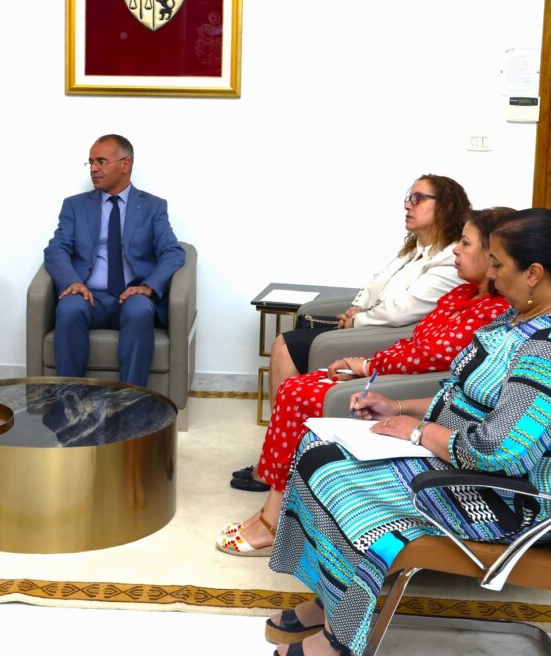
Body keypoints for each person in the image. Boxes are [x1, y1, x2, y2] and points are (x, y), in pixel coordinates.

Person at [264, 208, 551, 656]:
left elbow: (502, 453)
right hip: (463, 462)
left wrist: (417, 432)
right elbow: (463, 395)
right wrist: (398, 407)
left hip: (507, 498)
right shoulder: (520, 318)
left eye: (498, 263)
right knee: (317, 445)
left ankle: (339, 636)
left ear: (534, 273)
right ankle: (332, 598)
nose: (490, 273)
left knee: (338, 477)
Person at [217, 208, 515, 556]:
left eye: (465, 244)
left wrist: (368, 364)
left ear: (493, 254)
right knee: (294, 388)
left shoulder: (493, 311)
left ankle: (274, 521)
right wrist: (364, 356)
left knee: (299, 393)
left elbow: (432, 355)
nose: (456, 250)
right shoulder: (460, 294)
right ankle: (276, 510)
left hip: (413, 382)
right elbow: (414, 339)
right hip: (399, 372)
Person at [233, 175, 470, 492]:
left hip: (383, 335)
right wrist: (356, 309)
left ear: (446, 207)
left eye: (418, 198)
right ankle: (276, 455)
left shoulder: (448, 259)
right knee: (283, 343)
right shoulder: (414, 249)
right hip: (368, 325)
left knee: (288, 347)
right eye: (408, 197)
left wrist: (357, 320)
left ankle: (277, 463)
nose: (407, 205)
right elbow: (373, 286)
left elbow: (401, 311)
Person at [43, 134, 185, 388]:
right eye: (90, 162)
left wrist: (148, 287)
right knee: (69, 308)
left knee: (140, 309)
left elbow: (173, 252)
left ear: (125, 164)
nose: (93, 169)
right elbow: (57, 248)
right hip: (89, 296)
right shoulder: (75, 206)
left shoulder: (153, 207)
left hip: (131, 295)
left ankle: (130, 400)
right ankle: (69, 400)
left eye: (101, 161)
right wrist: (73, 282)